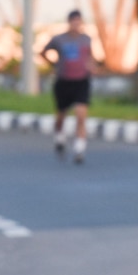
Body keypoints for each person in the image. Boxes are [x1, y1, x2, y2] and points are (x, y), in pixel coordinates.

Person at [41, 10, 98, 163]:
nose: (76, 25)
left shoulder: (86, 39)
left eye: (78, 22)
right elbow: (44, 52)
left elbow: (90, 56)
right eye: (73, 21)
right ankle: (59, 137)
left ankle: (79, 150)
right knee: (61, 114)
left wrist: (92, 66)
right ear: (69, 22)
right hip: (63, 81)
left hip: (81, 81)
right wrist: (53, 65)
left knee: (81, 115)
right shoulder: (59, 39)